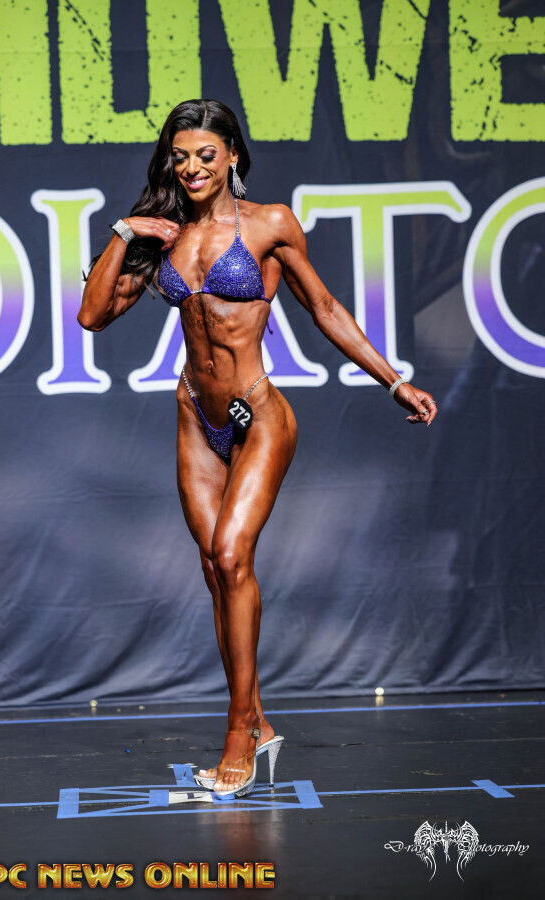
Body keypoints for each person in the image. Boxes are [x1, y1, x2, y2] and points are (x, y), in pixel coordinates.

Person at [78, 99, 438, 800]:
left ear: (233, 156)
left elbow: (324, 307)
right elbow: (93, 315)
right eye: (180, 156)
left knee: (232, 554)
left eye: (205, 155)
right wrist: (124, 231)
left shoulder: (270, 224)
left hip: (259, 414)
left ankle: (239, 732)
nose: (191, 168)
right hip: (195, 416)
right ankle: (259, 721)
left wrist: (393, 380)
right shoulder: (166, 233)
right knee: (217, 571)